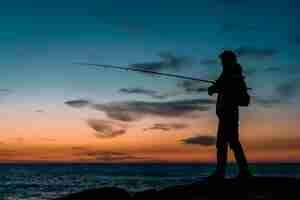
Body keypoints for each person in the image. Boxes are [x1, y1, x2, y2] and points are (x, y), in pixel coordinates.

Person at [207, 50, 252, 180]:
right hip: (225, 115)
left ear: (230, 61)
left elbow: (223, 88)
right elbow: (220, 87)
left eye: (224, 61)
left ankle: (224, 174)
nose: (222, 64)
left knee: (227, 143)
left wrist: (215, 88)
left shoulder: (232, 75)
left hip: (229, 115)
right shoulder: (229, 74)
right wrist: (216, 87)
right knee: (230, 143)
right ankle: (241, 172)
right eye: (222, 61)